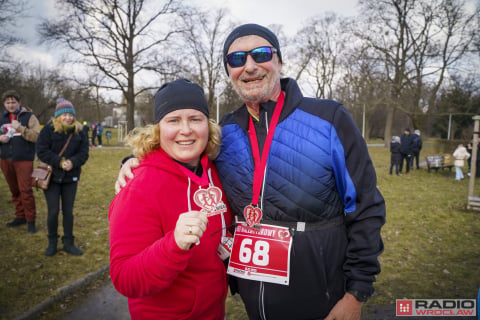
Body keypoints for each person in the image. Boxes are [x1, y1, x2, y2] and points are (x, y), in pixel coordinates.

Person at [116, 24, 385, 320]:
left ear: (278, 62)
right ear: (229, 71)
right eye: (237, 59)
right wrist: (135, 161)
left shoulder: (329, 118)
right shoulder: (228, 131)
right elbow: (182, 150)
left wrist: (356, 293)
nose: (249, 66)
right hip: (255, 292)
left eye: (260, 54)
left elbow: (366, 208)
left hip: (320, 290)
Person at [109, 79, 233, 320]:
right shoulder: (137, 187)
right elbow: (124, 277)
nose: (185, 130)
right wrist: (174, 245)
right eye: (173, 120)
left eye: (195, 119)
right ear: (158, 129)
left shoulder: (215, 170)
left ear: (208, 126)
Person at [36, 98, 89, 256]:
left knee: (68, 211)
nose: (68, 118)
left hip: (70, 178)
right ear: (58, 116)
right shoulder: (48, 130)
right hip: (52, 178)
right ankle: (52, 242)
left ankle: (68, 242)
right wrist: (59, 161)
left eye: (70, 115)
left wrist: (72, 162)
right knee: (53, 212)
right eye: (64, 114)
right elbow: (42, 151)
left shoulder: (80, 132)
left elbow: (84, 153)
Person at [0, 90, 41, 233]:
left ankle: (30, 220)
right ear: (4, 104)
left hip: (23, 160)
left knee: (25, 190)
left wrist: (20, 128)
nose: (11, 105)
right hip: (5, 159)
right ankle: (20, 216)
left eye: (13, 102)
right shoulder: (2, 119)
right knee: (14, 190)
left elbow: (36, 136)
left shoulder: (29, 117)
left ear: (19, 103)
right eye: (8, 102)